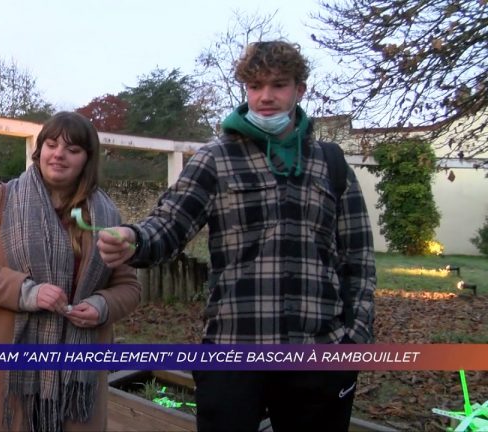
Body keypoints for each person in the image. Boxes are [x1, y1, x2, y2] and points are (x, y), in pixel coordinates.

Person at [97, 41, 376, 432]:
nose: (265, 96)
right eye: (255, 85)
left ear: (299, 89)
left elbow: (359, 259)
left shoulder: (330, 162)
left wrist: (354, 341)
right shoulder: (216, 158)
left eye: (278, 85)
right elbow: (169, 223)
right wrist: (135, 238)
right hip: (233, 350)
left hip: (317, 353)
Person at [0, 111, 140, 431]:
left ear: (87, 159)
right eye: (51, 145)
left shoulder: (107, 216)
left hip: (76, 380)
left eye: (72, 149)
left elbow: (129, 287)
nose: (59, 154)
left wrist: (102, 305)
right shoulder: (1, 199)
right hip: (4, 371)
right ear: (40, 150)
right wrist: (28, 292)